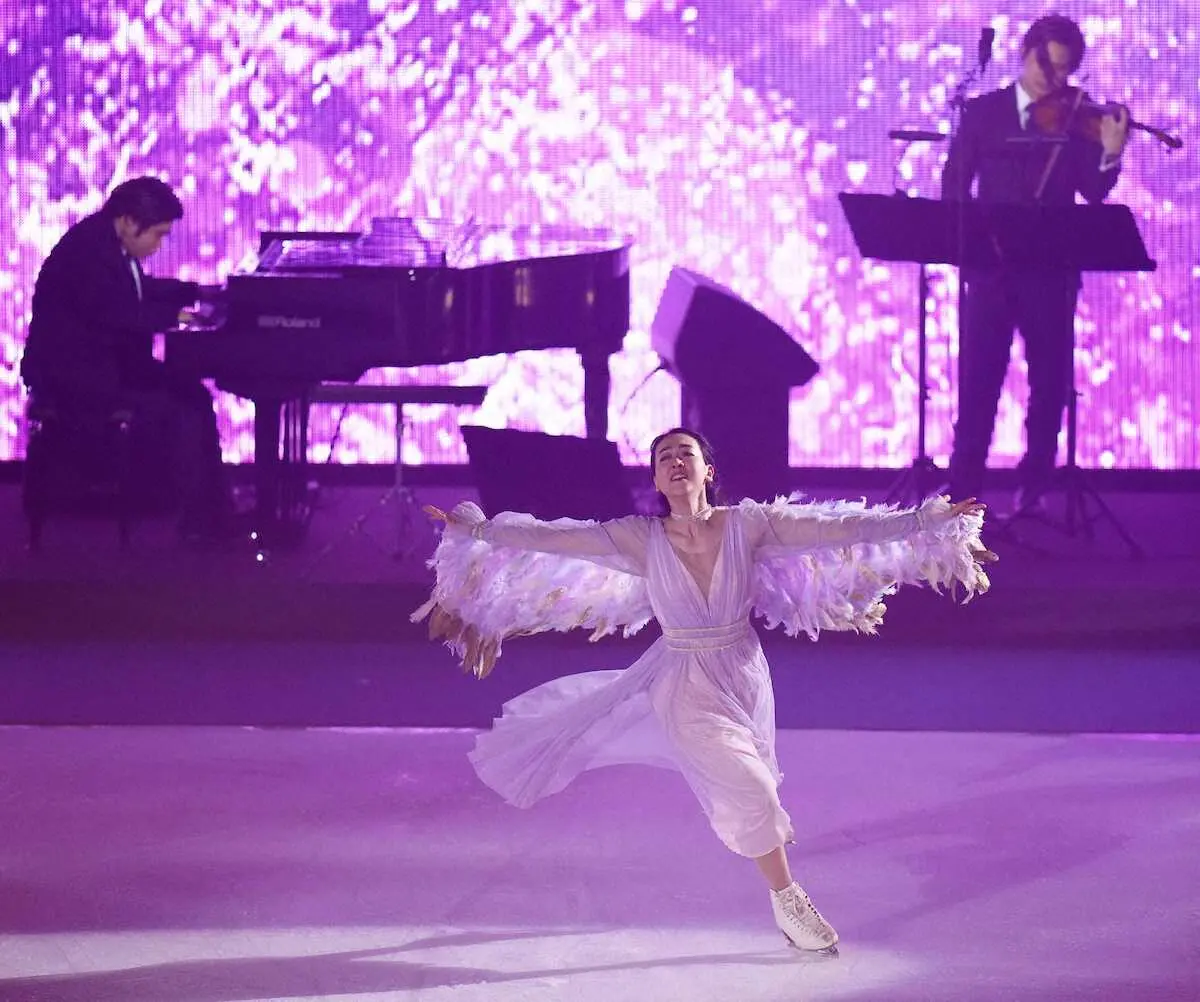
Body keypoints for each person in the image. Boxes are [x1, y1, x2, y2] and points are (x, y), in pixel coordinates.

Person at [415, 427, 994, 952]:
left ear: (706, 470)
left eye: (685, 454)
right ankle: (788, 899)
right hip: (683, 678)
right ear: (654, 477)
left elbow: (837, 527)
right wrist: (481, 530)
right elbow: (556, 539)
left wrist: (922, 522)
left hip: (743, 672)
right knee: (754, 791)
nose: (674, 462)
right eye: (663, 457)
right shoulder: (638, 538)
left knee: (760, 778)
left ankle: (778, 884)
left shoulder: (749, 524)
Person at [941, 14, 1130, 509]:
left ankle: (1035, 490)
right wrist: (963, 244)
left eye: (1064, 69)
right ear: (1024, 53)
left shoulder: (1077, 118)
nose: (1052, 76)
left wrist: (1110, 154)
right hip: (990, 275)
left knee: (1049, 387)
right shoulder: (982, 114)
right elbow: (953, 186)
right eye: (1045, 62)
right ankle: (964, 495)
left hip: (1051, 274)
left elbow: (1093, 191)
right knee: (978, 386)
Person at [21, 176, 230, 541]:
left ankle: (211, 510)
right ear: (130, 221)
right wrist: (176, 316)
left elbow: (138, 290)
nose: (159, 244)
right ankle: (199, 518)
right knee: (182, 406)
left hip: (104, 363)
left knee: (193, 395)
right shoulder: (86, 254)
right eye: (158, 234)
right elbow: (115, 311)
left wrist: (194, 292)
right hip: (76, 377)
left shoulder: (107, 242)